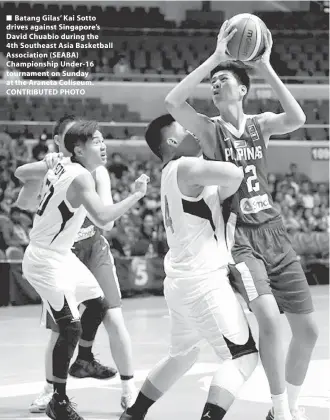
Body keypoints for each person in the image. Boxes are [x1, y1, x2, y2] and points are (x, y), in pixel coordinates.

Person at [164, 20, 318, 420]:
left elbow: (297, 118)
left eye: (224, 79)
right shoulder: (209, 131)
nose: (215, 84)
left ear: (243, 89)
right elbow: (173, 103)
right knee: (268, 319)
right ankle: (280, 411)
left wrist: (265, 65)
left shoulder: (260, 125)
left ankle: (288, 408)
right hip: (240, 237)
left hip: (276, 232)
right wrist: (215, 57)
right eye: (212, 82)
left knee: (309, 332)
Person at [120, 114, 259, 420]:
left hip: (181, 282)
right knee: (243, 357)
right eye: (187, 130)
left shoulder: (173, 173)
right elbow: (235, 174)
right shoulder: (185, 166)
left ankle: (134, 414)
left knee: (182, 356)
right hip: (203, 280)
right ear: (172, 141)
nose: (195, 133)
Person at [16, 120, 149, 420]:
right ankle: (58, 402)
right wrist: (136, 194)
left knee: (98, 305)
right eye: (97, 141)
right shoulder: (80, 178)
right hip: (45, 259)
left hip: (63, 254)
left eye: (104, 140)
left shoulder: (64, 165)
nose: (104, 146)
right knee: (69, 327)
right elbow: (103, 219)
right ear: (78, 148)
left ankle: (83, 360)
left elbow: (26, 175)